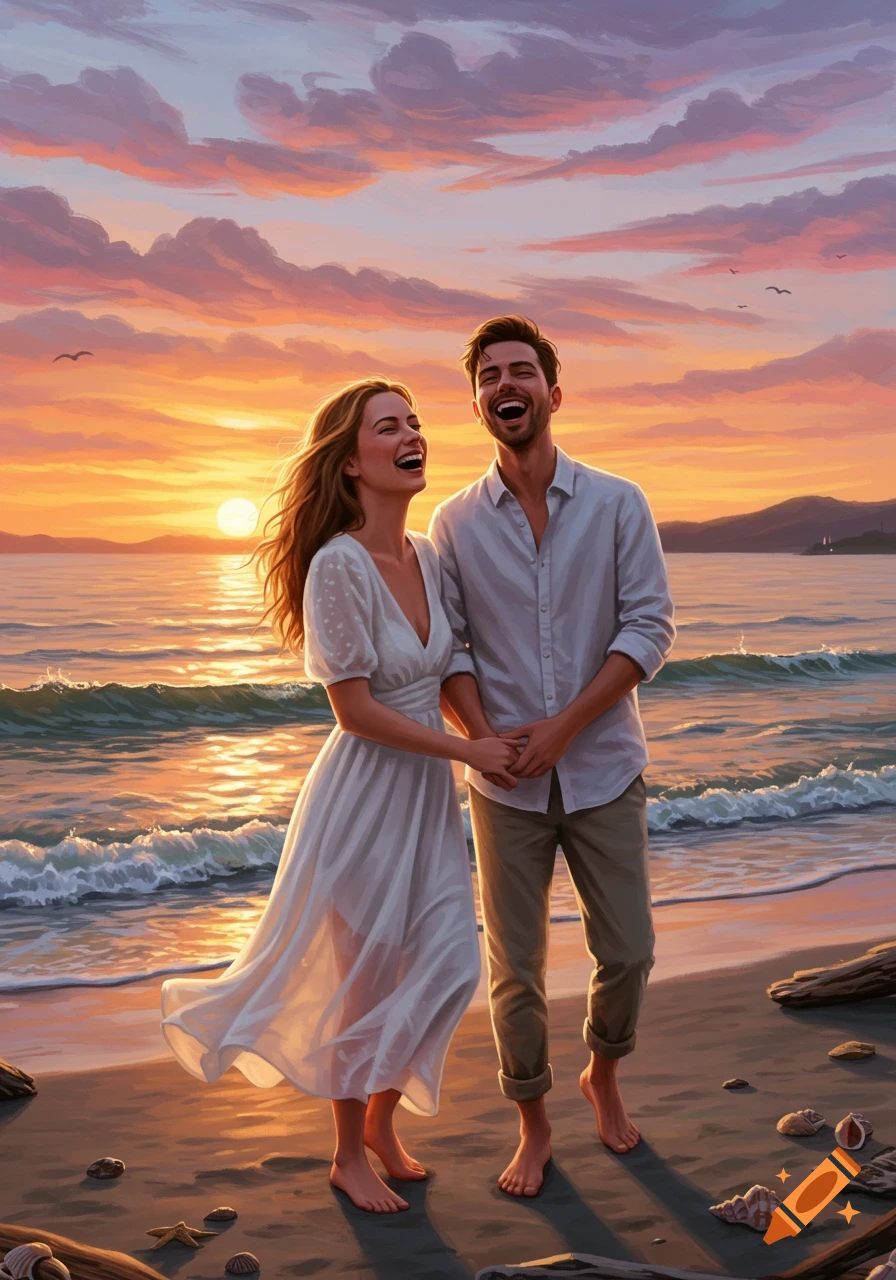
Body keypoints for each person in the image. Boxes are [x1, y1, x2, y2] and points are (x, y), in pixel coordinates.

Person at [160, 378, 521, 1214]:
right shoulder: (337, 566)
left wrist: (492, 741)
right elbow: (355, 710)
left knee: (445, 966)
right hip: (362, 797)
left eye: (415, 422)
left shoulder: (429, 552)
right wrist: (467, 749)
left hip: (427, 797)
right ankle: (346, 1152)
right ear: (352, 462)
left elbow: (451, 662)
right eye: (388, 426)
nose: (412, 435)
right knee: (367, 977)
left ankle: (382, 1123)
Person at [428, 316, 675, 1198]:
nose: (508, 384)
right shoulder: (451, 523)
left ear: (553, 393)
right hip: (502, 789)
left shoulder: (618, 503)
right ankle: (532, 1124)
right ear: (479, 404)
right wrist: (487, 739)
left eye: (523, 370)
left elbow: (650, 626)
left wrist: (565, 726)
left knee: (631, 951)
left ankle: (601, 1073)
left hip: (605, 766)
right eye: (491, 374)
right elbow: (447, 649)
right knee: (516, 971)